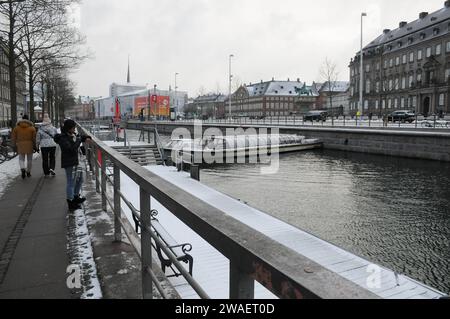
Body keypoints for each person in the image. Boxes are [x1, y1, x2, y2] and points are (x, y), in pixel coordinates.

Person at [54, 119, 91, 211]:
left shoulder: (72, 135)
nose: (75, 128)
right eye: (73, 127)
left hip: (76, 161)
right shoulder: (63, 138)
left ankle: (75, 196)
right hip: (69, 162)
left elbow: (80, 137)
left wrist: (86, 137)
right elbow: (71, 149)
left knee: (80, 179)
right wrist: (79, 140)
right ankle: (70, 202)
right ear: (69, 128)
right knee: (71, 182)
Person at [12, 115, 37, 179]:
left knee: (21, 159)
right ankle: (28, 172)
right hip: (29, 144)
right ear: (28, 119)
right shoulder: (32, 128)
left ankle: (22, 168)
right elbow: (34, 138)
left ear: (22, 119)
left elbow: (14, 137)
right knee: (29, 160)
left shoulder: (16, 128)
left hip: (20, 144)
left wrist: (14, 145)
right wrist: (35, 146)